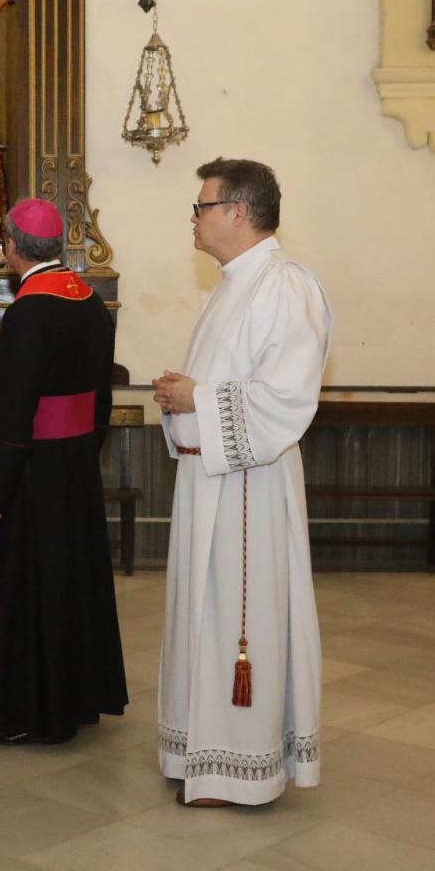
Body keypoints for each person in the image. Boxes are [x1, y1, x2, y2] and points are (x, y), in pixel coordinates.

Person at [152, 158, 331, 807]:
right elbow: (223, 386)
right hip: (210, 479)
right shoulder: (233, 285)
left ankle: (238, 765)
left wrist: (196, 397)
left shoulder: (285, 286)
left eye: (202, 206)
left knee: (235, 618)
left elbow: (287, 398)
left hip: (249, 485)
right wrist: (181, 398)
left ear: (240, 212)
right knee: (202, 616)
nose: (194, 219)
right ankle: (196, 749)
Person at [0, 198, 128, 745]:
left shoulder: (30, 310)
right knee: (75, 584)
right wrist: (87, 451)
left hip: (36, 470)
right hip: (77, 464)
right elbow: (102, 396)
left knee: (34, 589)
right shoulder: (89, 301)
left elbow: (13, 414)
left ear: (13, 248)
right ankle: (80, 699)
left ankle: (30, 716)